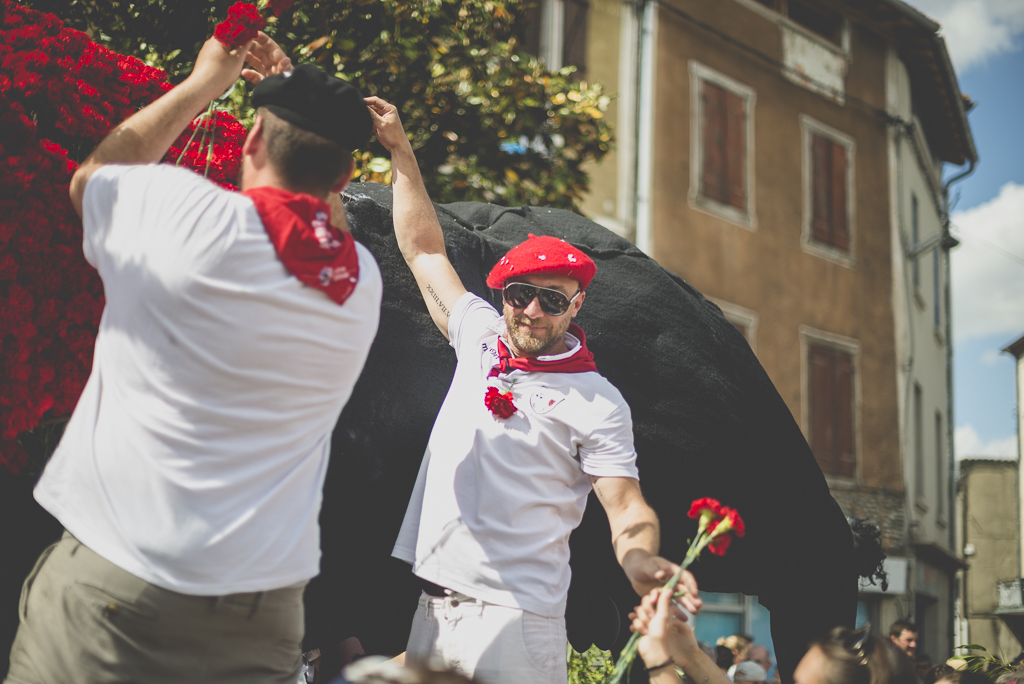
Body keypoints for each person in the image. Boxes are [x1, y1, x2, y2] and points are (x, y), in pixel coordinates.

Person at [5, 31, 381, 684]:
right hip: (264, 614)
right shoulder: (359, 281)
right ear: (345, 177)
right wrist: (299, 98)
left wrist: (202, 84)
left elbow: (92, 180)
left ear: (252, 144)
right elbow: (328, 227)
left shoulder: (185, 217)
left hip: (122, 590)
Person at [365, 97, 702, 684]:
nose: (533, 311)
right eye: (522, 293)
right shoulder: (477, 336)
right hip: (433, 611)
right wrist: (401, 151)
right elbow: (423, 250)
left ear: (577, 306)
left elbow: (625, 507)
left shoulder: (598, 400)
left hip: (517, 624)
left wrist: (642, 557)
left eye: (552, 299)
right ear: (503, 293)